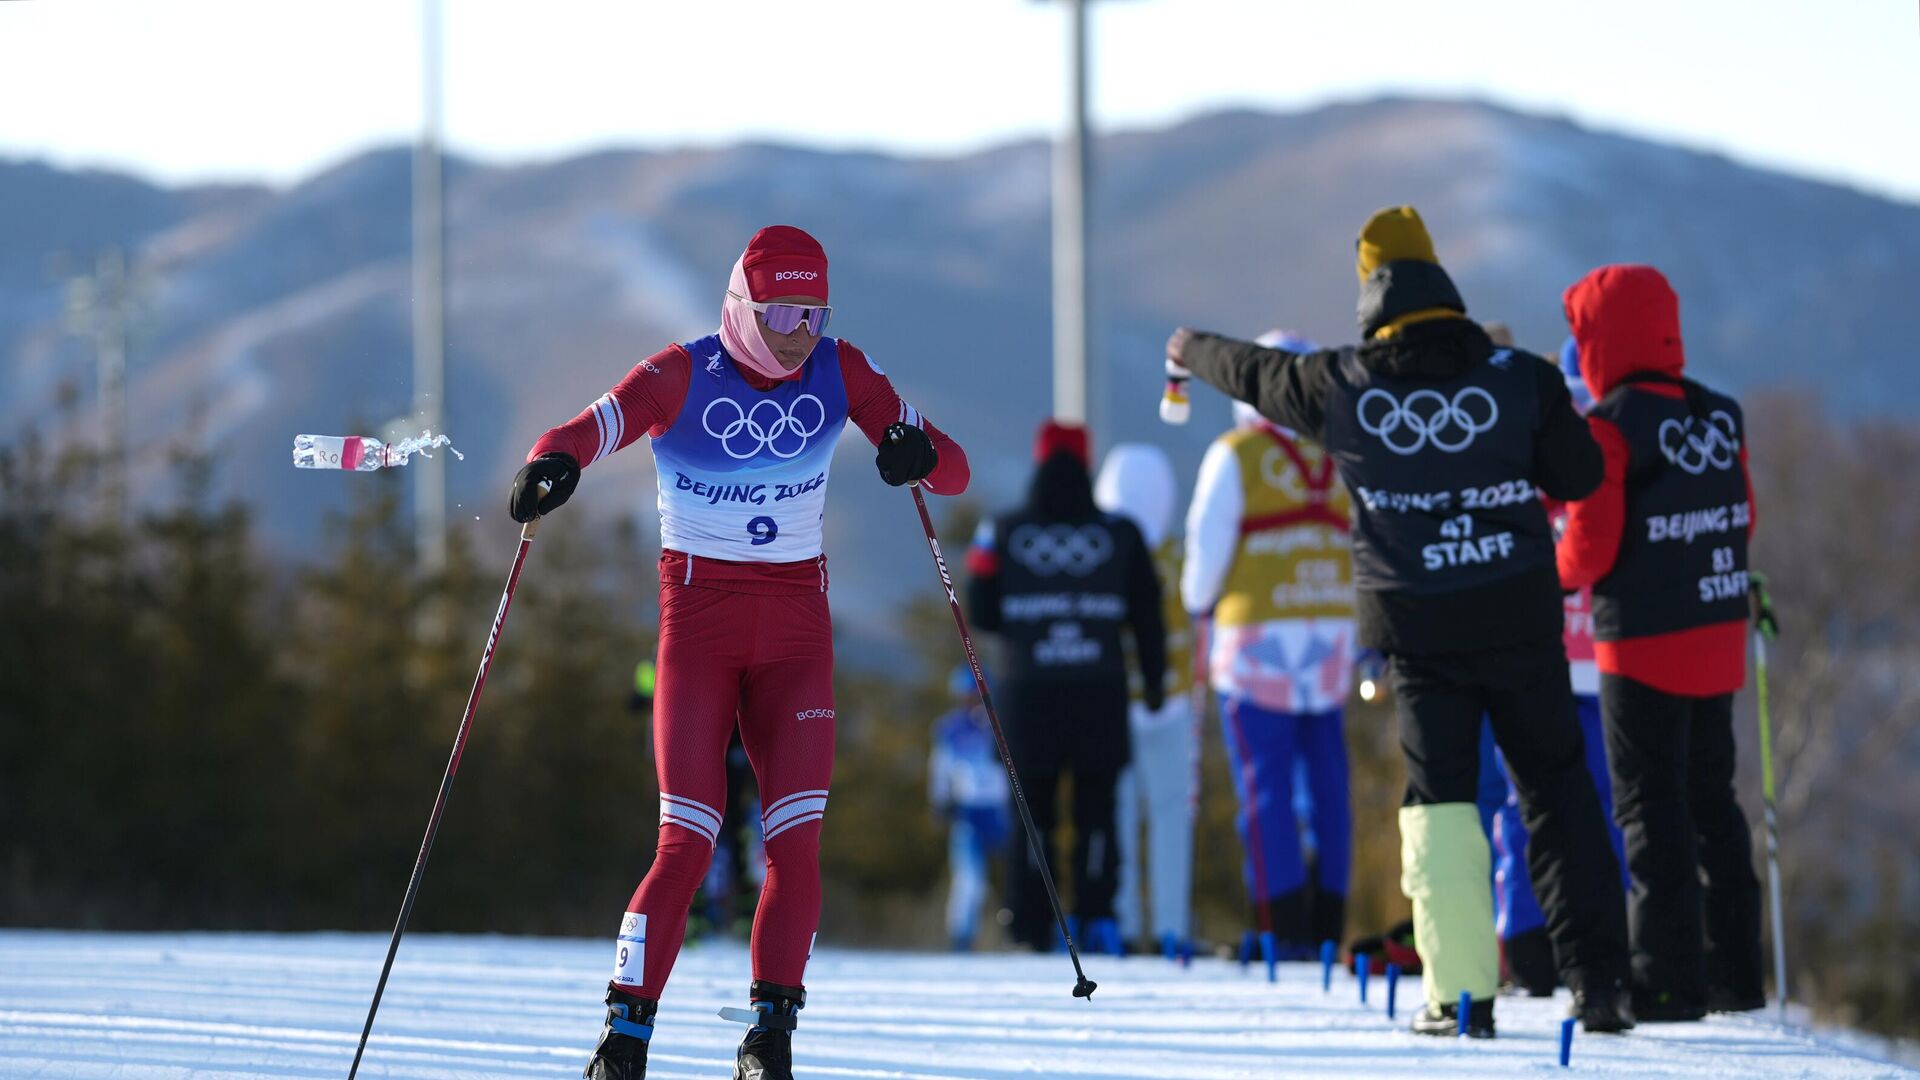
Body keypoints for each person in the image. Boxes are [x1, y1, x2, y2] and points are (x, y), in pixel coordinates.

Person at [510, 225, 969, 1080]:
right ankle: (624, 1037)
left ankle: (770, 1036)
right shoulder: (680, 374)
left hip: (797, 629)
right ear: (743, 306)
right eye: (781, 310)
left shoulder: (842, 370)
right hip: (701, 626)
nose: (799, 330)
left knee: (794, 844)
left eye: (815, 311)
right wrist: (550, 468)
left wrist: (921, 450)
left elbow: (956, 474)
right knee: (685, 841)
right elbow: (577, 432)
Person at [1163, 206, 1633, 1038]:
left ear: (1370, 295)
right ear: (1441, 282)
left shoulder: (1341, 386)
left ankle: (1459, 995)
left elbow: (1256, 372)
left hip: (1420, 637)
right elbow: (1581, 469)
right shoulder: (1520, 378)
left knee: (1442, 807)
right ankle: (1598, 986)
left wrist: (1189, 349)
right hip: (1520, 619)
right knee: (1558, 793)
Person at [1556, 264, 1764, 1021]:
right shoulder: (1719, 413)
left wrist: (1547, 573)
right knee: (1713, 801)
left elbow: (1591, 550)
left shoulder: (1608, 426)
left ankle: (1669, 980)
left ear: (1599, 338)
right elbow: (1744, 515)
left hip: (1640, 646)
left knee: (1650, 809)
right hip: (1715, 633)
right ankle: (1738, 972)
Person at [1178, 332, 1356, 961]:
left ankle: (1281, 924)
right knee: (1329, 781)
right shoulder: (1339, 447)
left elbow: (1206, 546)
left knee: (1267, 786)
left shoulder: (1239, 452)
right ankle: (1327, 921)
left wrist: (1197, 603)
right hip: (1332, 633)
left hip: (1257, 641)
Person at [965, 420, 1165, 956]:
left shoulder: (1001, 529)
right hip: (1100, 691)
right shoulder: (1122, 533)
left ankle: (1031, 922)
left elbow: (980, 611)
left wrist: (1030, 624)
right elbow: (1149, 615)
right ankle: (1097, 916)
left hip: (1027, 691)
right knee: (1097, 812)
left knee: (1031, 814)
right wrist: (1154, 683)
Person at [1484, 336, 1630, 997]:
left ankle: (1527, 940)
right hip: (1601, 665)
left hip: (1538, 660)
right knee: (1604, 808)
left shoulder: (1527, 432)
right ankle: (1600, 946)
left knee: (1529, 808)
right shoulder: (1618, 439)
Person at [1094, 443, 1198, 958]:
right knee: (1170, 816)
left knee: (1117, 814)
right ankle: (1172, 927)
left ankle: (1122, 922)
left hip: (1112, 703)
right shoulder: (1178, 555)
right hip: (1171, 704)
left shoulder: (1102, 549)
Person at [928, 666, 1011, 951]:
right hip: (968, 811)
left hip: (1000, 811)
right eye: (964, 695)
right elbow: (940, 768)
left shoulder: (1001, 724)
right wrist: (940, 800)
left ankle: (1019, 934)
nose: (969, 701)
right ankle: (961, 939)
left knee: (1014, 876)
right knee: (969, 879)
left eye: (974, 695)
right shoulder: (950, 728)